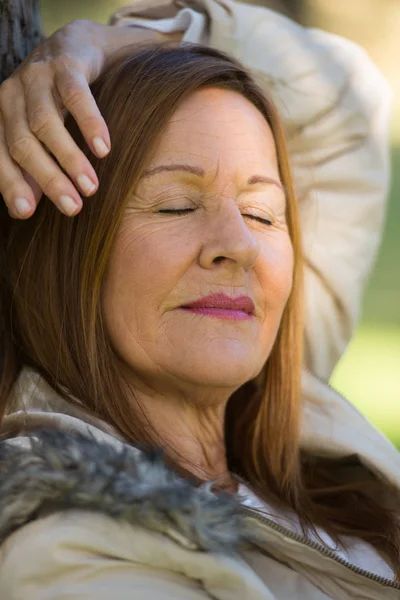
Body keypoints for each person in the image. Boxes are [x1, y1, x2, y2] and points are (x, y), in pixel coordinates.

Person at [0, 1, 399, 599]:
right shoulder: (72, 554)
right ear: (67, 251)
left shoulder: (294, 423)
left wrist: (119, 43)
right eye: (175, 206)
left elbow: (345, 95)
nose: (239, 246)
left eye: (263, 212)